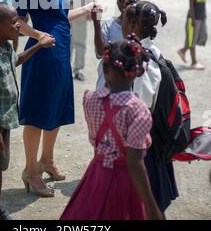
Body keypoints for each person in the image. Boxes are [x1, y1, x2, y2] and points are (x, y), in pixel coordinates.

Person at [13, 0, 101, 197]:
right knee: (38, 112)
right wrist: (37, 34)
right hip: (42, 54)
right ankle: (30, 171)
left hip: (61, 51)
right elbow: (15, 21)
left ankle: (47, 160)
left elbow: (60, 16)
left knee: (57, 109)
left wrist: (86, 9)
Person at [60, 35, 163, 220]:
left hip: (96, 174)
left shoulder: (89, 99)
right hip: (125, 180)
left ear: (105, 69)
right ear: (138, 71)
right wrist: (152, 207)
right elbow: (135, 162)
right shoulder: (138, 110)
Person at [0, 2, 55, 220]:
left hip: (4, 120)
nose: (18, 25)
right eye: (13, 22)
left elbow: (16, 60)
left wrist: (39, 44)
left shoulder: (6, 47)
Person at [121, 0, 179, 215]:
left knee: (147, 203)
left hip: (143, 147)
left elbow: (140, 107)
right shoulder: (153, 51)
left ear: (133, 24)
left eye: (126, 19)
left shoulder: (141, 61)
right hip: (151, 139)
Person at [92, 0, 140, 90]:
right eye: (121, 0)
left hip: (131, 84)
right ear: (116, 0)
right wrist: (97, 23)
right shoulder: (109, 25)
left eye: (129, 1)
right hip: (108, 82)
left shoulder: (140, 27)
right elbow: (100, 53)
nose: (124, 4)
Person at [177, 0, 208, 70]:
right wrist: (193, 19)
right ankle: (194, 62)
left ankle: (183, 50)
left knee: (201, 37)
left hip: (201, 18)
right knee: (192, 40)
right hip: (193, 19)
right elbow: (191, 5)